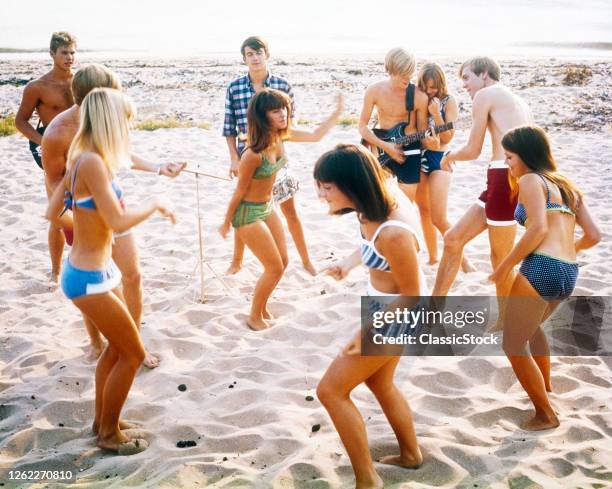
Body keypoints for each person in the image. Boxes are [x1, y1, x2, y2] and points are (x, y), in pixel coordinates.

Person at [46, 88, 176, 454]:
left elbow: (52, 211)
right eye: (126, 121)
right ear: (109, 122)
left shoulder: (84, 157)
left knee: (116, 351)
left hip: (96, 271)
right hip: (88, 279)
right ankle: (107, 436)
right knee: (132, 354)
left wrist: (88, 223)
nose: (129, 128)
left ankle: (104, 422)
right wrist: (156, 204)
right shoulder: (90, 162)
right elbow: (117, 221)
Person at [42, 64, 185, 366]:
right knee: (94, 283)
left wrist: (159, 167)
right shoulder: (58, 132)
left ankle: (131, 342)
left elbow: (119, 152)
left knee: (132, 275)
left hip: (114, 210)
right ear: (96, 97)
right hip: (83, 216)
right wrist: (77, 224)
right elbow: (54, 186)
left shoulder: (106, 122)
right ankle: (96, 342)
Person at [316, 144, 426, 489]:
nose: (320, 194)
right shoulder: (370, 209)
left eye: (327, 187)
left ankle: (367, 480)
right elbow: (369, 245)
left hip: (395, 315)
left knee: (330, 391)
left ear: (352, 184)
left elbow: (414, 294)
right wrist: (346, 265)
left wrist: (366, 333)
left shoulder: (394, 231)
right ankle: (411, 456)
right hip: (383, 308)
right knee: (380, 383)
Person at [489, 125, 600, 431]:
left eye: (510, 156)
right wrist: (568, 250)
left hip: (541, 267)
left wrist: (506, 265)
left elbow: (537, 228)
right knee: (532, 329)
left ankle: (545, 414)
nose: (508, 162)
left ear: (525, 155)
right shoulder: (567, 186)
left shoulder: (529, 180)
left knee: (512, 344)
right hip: (568, 270)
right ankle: (545, 389)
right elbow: (594, 235)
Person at [219, 88, 342, 330]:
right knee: (273, 268)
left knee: (283, 262)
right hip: (248, 214)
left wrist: (336, 112)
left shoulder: (280, 137)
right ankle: (254, 316)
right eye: (276, 111)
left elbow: (317, 135)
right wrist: (226, 222)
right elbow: (239, 192)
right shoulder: (252, 155)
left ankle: (262, 308)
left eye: (284, 108)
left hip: (267, 207)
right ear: (263, 116)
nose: (283, 114)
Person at [434, 57, 533, 327]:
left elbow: (473, 149)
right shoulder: (518, 101)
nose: (464, 86)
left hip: (505, 179)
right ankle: (433, 311)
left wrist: (447, 157)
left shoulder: (486, 95)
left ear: (485, 74)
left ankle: (508, 320)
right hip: (505, 179)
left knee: (500, 258)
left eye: (467, 78)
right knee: (454, 239)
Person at [223, 36, 317, 276]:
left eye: (258, 53)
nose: (255, 58)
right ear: (244, 59)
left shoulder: (282, 84)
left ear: (267, 54)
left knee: (290, 211)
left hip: (277, 154)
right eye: (249, 54)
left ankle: (306, 260)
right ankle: (237, 261)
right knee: (245, 207)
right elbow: (229, 127)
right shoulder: (234, 88)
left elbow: (289, 124)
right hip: (249, 155)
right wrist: (234, 158)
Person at [414, 62, 474, 272]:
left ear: (441, 84)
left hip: (440, 159)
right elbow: (417, 134)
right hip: (420, 158)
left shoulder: (449, 101)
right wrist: (425, 142)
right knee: (423, 211)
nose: (431, 91)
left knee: (439, 217)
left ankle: (464, 262)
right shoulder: (418, 99)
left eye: (434, 87)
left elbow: (448, 136)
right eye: (426, 86)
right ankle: (432, 258)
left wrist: (437, 114)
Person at [359, 48, 438, 202]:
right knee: (375, 204)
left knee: (406, 205)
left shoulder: (419, 96)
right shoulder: (374, 91)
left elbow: (422, 132)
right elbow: (362, 126)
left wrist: (432, 143)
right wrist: (386, 146)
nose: (408, 78)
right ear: (391, 70)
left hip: (409, 151)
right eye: (404, 73)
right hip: (379, 148)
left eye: (411, 73)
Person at [16, 32, 77, 169]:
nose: (69, 57)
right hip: (52, 142)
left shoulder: (80, 81)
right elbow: (20, 121)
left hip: (78, 142)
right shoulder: (37, 86)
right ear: (52, 54)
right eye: (64, 53)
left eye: (72, 53)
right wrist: (43, 142)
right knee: (57, 187)